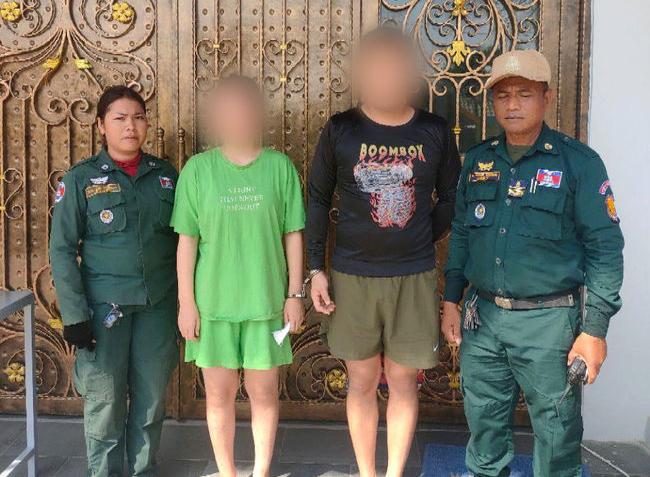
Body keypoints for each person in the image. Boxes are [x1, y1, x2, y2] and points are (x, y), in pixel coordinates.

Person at [442, 50, 624, 476]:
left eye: (524, 94)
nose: (512, 105)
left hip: (549, 323)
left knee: (557, 433)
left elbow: (605, 248)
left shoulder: (579, 163)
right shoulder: (479, 160)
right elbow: (463, 233)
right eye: (502, 95)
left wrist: (595, 329)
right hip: (483, 319)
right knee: (484, 424)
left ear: (547, 98)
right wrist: (451, 299)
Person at [306, 28, 461, 477]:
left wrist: (420, 234)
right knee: (361, 380)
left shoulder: (433, 131)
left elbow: (452, 196)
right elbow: (317, 199)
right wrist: (315, 268)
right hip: (353, 275)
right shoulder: (341, 129)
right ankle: (366, 472)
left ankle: (393, 472)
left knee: (403, 380)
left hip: (414, 275)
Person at [171, 75, 305, 477]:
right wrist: (187, 303)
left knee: (264, 394)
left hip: (267, 306)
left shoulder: (279, 168)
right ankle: (228, 471)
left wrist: (294, 294)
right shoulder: (198, 171)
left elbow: (293, 235)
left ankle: (261, 471)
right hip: (213, 306)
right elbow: (187, 242)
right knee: (218, 396)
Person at [49, 85, 179, 476]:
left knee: (151, 399)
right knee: (105, 401)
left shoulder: (166, 176)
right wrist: (75, 316)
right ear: (102, 126)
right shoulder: (80, 180)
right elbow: (62, 250)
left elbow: (185, 243)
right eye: (119, 118)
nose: (130, 126)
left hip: (157, 306)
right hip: (104, 310)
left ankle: (143, 471)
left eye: (138, 118)